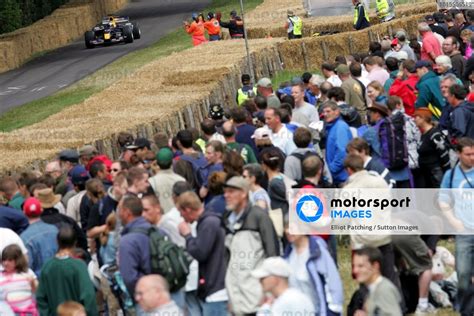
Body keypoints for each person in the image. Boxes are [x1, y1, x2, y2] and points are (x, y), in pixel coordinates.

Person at [223, 176, 280, 315]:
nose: (226, 195)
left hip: (256, 296)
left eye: (231, 191)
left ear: (243, 193)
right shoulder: (226, 218)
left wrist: (269, 294)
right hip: (235, 297)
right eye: (225, 191)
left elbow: (273, 255)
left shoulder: (259, 216)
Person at [177, 191, 228, 314]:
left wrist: (187, 236)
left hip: (216, 290)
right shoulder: (210, 221)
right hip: (217, 287)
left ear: (188, 209)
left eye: (181, 212)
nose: (181, 216)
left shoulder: (208, 223)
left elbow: (200, 253)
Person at [439, 137, 474, 316]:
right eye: (468, 154)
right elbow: (443, 201)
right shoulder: (451, 175)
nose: (472, 157)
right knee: (463, 276)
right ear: (458, 154)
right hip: (465, 233)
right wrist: (453, 221)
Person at [36, 226, 97, 315]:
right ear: (75, 243)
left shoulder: (47, 266)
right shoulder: (79, 266)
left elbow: (41, 298)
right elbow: (88, 296)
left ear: (57, 242)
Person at [284, 228, 344, 315]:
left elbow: (333, 282)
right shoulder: (288, 254)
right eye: (286, 227)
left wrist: (333, 310)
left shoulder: (318, 251)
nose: (288, 231)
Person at [251, 257, 316, 315]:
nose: (260, 281)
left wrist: (264, 308)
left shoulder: (290, 300)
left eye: (263, 277)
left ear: (275, 279)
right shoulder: (283, 299)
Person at [117, 194, 152, 297]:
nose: (118, 214)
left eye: (120, 210)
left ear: (127, 213)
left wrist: (139, 297)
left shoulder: (127, 241)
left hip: (145, 297)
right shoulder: (157, 230)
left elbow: (129, 278)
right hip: (165, 290)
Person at [352, 247, 403, 316]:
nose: (355, 271)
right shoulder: (372, 288)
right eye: (354, 266)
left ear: (375, 266)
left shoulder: (385, 290)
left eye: (360, 266)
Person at [19, 197, 58, 276]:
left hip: (39, 282)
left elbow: (27, 266)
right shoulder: (54, 229)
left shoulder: (24, 237)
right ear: (41, 210)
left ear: (24, 212)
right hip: (58, 277)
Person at [413, 108, 450, 188]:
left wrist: (447, 174)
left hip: (435, 174)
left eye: (416, 117)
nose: (414, 119)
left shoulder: (435, 135)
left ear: (423, 118)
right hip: (427, 174)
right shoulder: (423, 135)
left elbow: (444, 155)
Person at [0, 244, 38, 315]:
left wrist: (32, 282)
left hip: (28, 312)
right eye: (4, 260)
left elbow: (37, 290)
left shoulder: (27, 272)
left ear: (18, 260)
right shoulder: (1, 276)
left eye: (10, 260)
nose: (6, 263)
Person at [323, 101, 353, 186]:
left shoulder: (340, 127)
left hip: (342, 178)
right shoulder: (331, 127)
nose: (325, 114)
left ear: (337, 112)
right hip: (337, 177)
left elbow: (342, 153)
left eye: (328, 111)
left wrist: (330, 170)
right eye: (324, 112)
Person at [149, 147, 186, 214]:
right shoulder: (181, 180)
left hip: (160, 219)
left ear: (157, 162)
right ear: (172, 161)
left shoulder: (151, 181)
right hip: (179, 219)